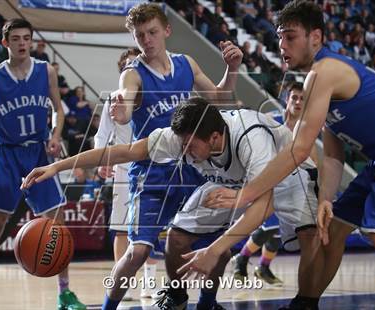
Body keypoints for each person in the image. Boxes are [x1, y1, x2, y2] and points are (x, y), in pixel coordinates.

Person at [177, 1, 375, 309]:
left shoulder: (325, 71)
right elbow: (332, 154)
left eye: (290, 37)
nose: (281, 45)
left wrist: (246, 194)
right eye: (279, 37)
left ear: (315, 38)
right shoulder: (318, 83)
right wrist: (326, 200)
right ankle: (305, 303)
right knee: (331, 231)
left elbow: (299, 148)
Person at [21, 97, 323, 310]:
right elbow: (125, 151)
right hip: (232, 181)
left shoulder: (251, 138)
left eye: (191, 147)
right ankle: (178, 297)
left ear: (216, 138)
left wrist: (215, 248)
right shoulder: (185, 137)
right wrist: (58, 166)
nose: (185, 152)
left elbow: (262, 204)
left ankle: (306, 304)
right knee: (178, 237)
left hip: (287, 171)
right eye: (184, 145)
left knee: (308, 235)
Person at [109, 3, 243, 309]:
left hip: (192, 171)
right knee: (138, 253)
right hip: (152, 172)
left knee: (220, 249)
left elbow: (220, 98)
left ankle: (206, 304)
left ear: (167, 31)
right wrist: (121, 112)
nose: (147, 40)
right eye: (140, 35)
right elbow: (126, 104)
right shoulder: (133, 75)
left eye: (152, 32)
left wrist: (232, 69)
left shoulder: (186, 64)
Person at [0, 19, 86, 310]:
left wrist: (55, 134)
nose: (22, 43)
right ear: (6, 43)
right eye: (16, 39)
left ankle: (64, 294)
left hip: (38, 153)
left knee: (56, 225)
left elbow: (58, 111)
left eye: (26, 38)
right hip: (8, 155)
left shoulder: (45, 71)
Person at [94, 47, 159, 300]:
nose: (132, 68)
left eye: (137, 64)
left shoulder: (153, 95)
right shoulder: (113, 98)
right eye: (128, 65)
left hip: (152, 163)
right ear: (122, 71)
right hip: (123, 167)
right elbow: (101, 135)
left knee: (151, 228)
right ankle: (123, 284)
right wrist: (101, 159)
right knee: (121, 230)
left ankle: (149, 284)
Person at [233, 81, 309, 287]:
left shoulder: (306, 129)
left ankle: (263, 266)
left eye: (303, 98)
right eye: (294, 97)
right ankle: (241, 258)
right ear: (287, 98)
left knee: (281, 230)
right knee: (269, 226)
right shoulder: (271, 120)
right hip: (268, 181)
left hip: (292, 182)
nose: (298, 102)